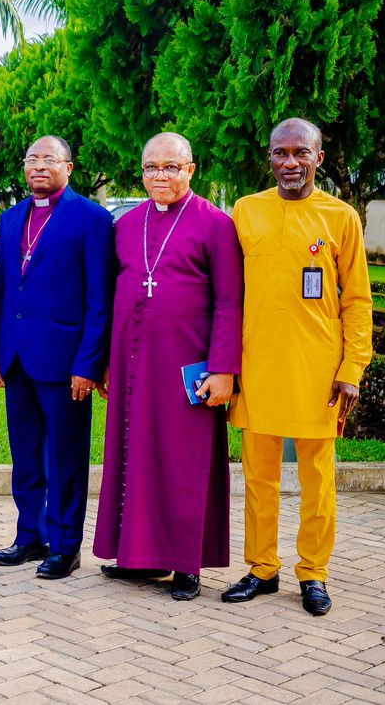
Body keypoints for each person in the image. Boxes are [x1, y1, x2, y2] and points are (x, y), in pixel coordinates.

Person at [223, 118, 372, 616]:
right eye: (280, 153)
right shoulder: (245, 212)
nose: (290, 163)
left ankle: (314, 572)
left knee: (317, 480)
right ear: (269, 158)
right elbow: (226, 296)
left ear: (318, 159)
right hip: (257, 366)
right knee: (259, 478)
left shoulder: (342, 218)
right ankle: (262, 568)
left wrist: (352, 368)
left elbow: (357, 302)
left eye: (300, 154)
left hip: (318, 372)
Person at [92, 133, 242, 601]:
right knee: (135, 457)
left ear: (191, 170)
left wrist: (223, 370)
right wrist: (106, 364)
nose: (160, 175)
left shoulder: (216, 225)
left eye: (171, 167)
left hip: (187, 368)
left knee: (183, 463)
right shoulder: (125, 224)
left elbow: (229, 303)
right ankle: (140, 556)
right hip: (133, 364)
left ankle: (186, 564)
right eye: (152, 167)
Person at [0, 136, 114, 579]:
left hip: (66, 363)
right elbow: (2, 289)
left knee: (65, 456)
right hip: (18, 357)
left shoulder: (92, 219)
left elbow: (101, 300)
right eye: (32, 160)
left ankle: (64, 545)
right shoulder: (10, 219)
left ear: (69, 167)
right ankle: (29, 535)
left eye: (49, 160)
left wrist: (88, 364)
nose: (39, 167)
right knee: (24, 453)